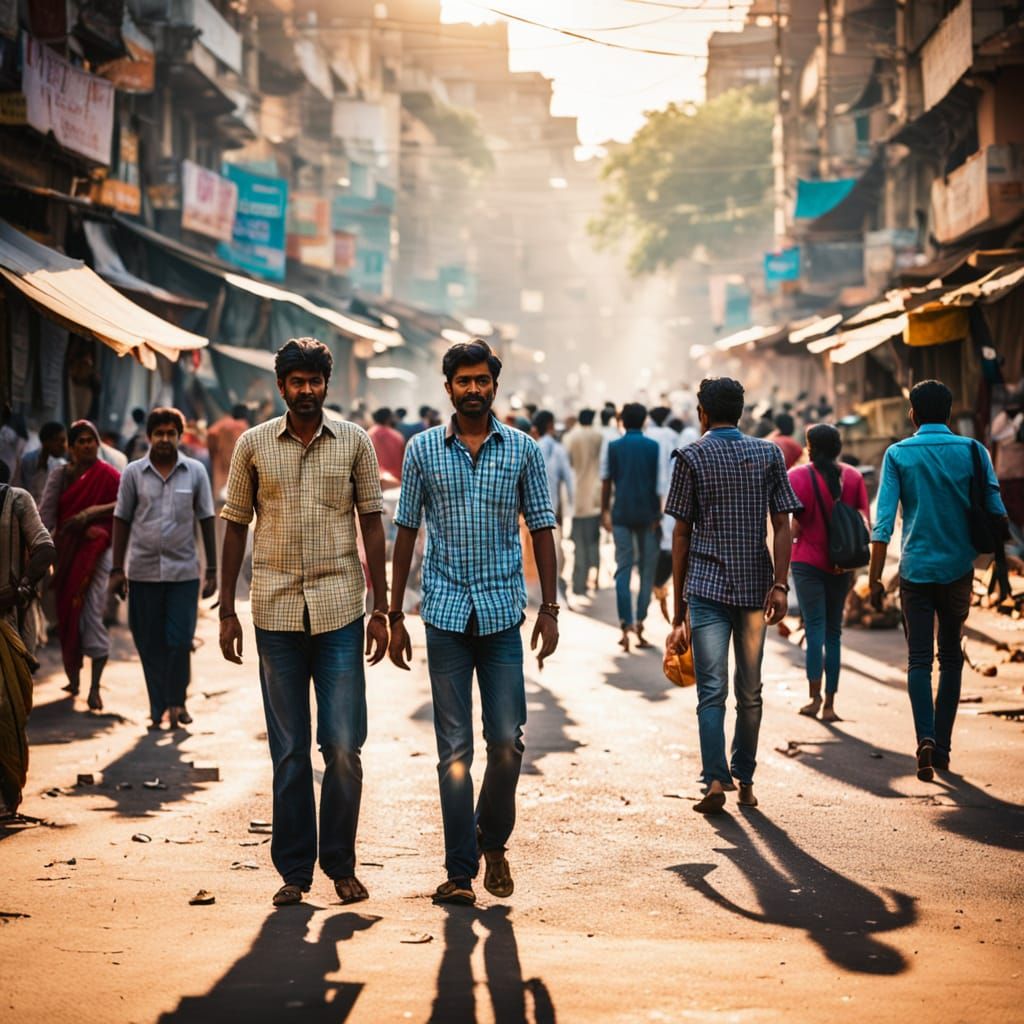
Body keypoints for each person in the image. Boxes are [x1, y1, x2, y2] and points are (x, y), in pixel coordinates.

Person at [388, 339, 559, 908]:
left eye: (482, 379)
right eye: (463, 380)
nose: (473, 389)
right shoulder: (421, 450)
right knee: (454, 749)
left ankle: (492, 839)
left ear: (494, 386)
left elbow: (542, 527)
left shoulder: (523, 450)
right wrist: (393, 612)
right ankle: (460, 871)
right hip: (443, 614)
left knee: (507, 742)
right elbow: (406, 530)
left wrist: (550, 609)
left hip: (503, 613)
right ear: (448, 388)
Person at [219, 338, 388, 909]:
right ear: (282, 386)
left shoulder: (355, 442)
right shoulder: (253, 444)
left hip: (341, 610)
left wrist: (383, 608)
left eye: (315, 380)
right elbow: (235, 525)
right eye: (298, 381)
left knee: (342, 746)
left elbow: (372, 524)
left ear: (326, 384)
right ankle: (294, 871)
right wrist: (226, 609)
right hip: (275, 613)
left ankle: (340, 863)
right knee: (289, 751)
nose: (307, 390)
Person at [666, 377, 801, 814]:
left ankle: (714, 779)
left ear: (702, 413)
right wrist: (780, 584)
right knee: (750, 691)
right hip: (754, 588)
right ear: (741, 413)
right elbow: (782, 524)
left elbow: (681, 534)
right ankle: (744, 777)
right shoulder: (769, 454)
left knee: (711, 690)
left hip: (706, 588)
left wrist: (679, 611)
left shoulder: (690, 456)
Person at [869, 380, 1007, 781]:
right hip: (958, 569)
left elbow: (883, 523)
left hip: (915, 570)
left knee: (918, 659)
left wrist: (875, 578)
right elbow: (996, 510)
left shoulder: (898, 454)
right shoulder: (974, 451)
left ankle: (925, 738)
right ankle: (943, 747)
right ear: (948, 413)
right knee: (950, 656)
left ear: (913, 413)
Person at [109, 408, 217, 730]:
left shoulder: (195, 472)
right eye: (159, 434)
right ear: (149, 437)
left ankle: (177, 702)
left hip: (184, 573)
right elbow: (121, 519)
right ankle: (158, 706)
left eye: (171, 434)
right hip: (142, 572)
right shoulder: (133, 473)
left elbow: (206, 519)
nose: (165, 439)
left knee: (180, 640)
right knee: (149, 642)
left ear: (180, 437)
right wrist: (117, 569)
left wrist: (212, 569)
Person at [788, 424, 870, 721]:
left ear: (809, 448)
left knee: (814, 630)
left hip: (807, 563)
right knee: (834, 633)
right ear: (838, 448)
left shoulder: (797, 477)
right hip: (841, 564)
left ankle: (814, 698)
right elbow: (864, 523)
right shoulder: (854, 477)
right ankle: (831, 705)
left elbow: (794, 526)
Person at [39, 421, 120, 711]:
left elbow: (125, 504)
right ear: (71, 448)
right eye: (81, 441)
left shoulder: (109, 475)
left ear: (97, 444)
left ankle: (95, 688)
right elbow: (46, 514)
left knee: (91, 614)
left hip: (100, 553)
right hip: (67, 553)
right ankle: (73, 678)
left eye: (91, 440)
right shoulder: (60, 475)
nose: (87, 445)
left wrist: (90, 513)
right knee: (66, 613)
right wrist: (41, 548)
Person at [0, 461, 55, 816]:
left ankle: (7, 789)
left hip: (10, 620)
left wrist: (21, 589)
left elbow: (45, 549)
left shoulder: (17, 500)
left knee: (8, 707)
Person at [602, 403, 663, 652]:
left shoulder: (614, 446)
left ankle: (625, 623)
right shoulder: (653, 447)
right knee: (647, 570)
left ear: (622, 422)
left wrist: (605, 510)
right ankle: (640, 621)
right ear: (644, 420)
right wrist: (658, 513)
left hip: (621, 513)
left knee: (623, 568)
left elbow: (607, 480)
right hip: (648, 514)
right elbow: (657, 482)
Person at [532, 410, 573, 601]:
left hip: (530, 512)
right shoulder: (558, 449)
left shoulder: (532, 447)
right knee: (553, 552)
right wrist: (570, 507)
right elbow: (569, 482)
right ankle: (551, 593)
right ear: (550, 425)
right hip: (552, 510)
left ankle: (540, 592)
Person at [562, 408, 603, 597]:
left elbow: (567, 464)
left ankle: (579, 583)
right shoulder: (599, 436)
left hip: (577, 496)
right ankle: (595, 578)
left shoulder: (571, 437)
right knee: (593, 541)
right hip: (594, 496)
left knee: (578, 543)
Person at [647, 407, 682, 622]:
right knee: (668, 546)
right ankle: (659, 587)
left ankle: (655, 586)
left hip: (650, 499)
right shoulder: (672, 437)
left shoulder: (648, 435)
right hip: (668, 496)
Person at [207, 404, 251, 507]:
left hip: (221, 461)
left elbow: (211, 433)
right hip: (236, 463)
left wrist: (213, 452)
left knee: (219, 497)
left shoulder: (224, 423)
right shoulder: (244, 426)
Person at [17, 422, 67, 505]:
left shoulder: (61, 465)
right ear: (46, 442)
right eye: (59, 441)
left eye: (64, 441)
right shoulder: (28, 460)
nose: (63, 446)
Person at [368, 407, 406, 485]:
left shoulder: (368, 434)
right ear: (388, 419)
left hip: (376, 480)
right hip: (397, 480)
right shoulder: (396, 436)